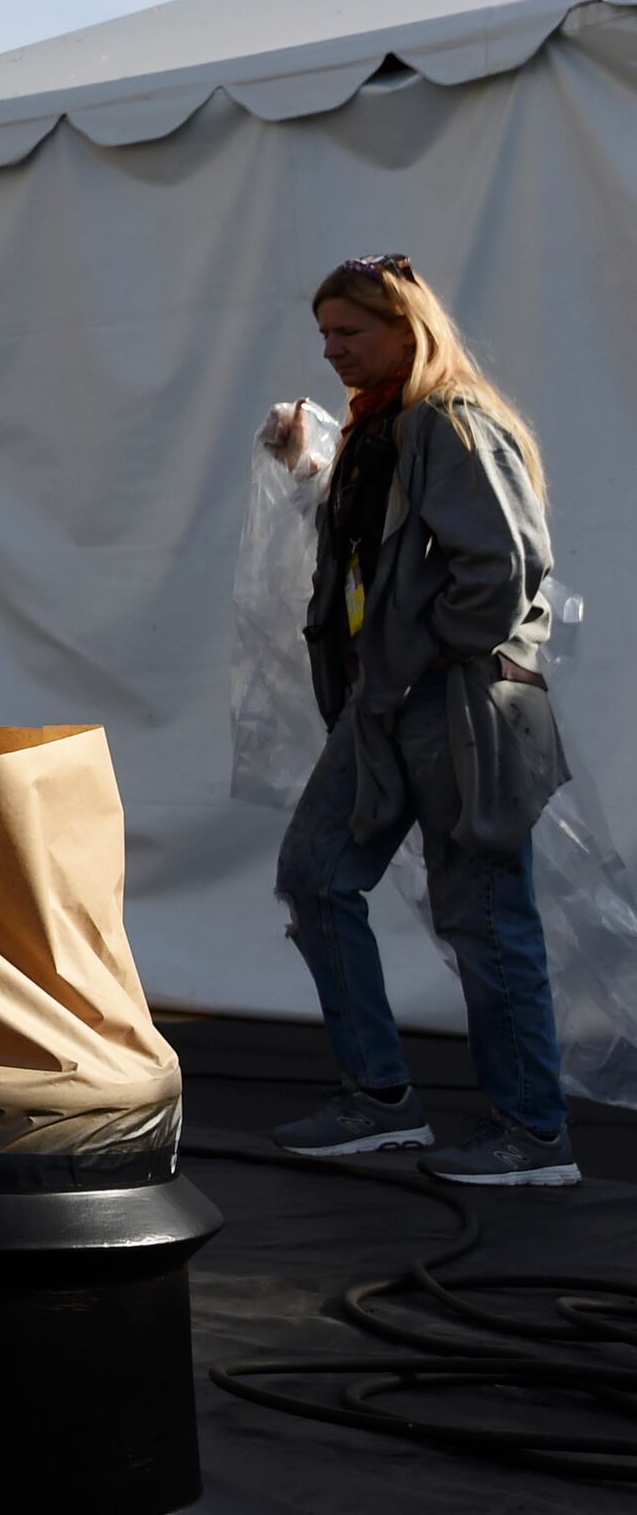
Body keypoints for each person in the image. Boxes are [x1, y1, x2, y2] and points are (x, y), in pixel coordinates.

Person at [265, 255, 574, 1186]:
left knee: (482, 911)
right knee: (315, 877)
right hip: (388, 702)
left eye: (348, 333)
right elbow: (387, 548)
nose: (332, 352)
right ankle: (381, 1100)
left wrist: (424, 648)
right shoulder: (384, 429)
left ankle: (534, 1133)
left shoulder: (452, 423)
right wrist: (313, 465)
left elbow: (505, 569)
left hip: (454, 702)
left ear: (407, 327)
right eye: (323, 335)